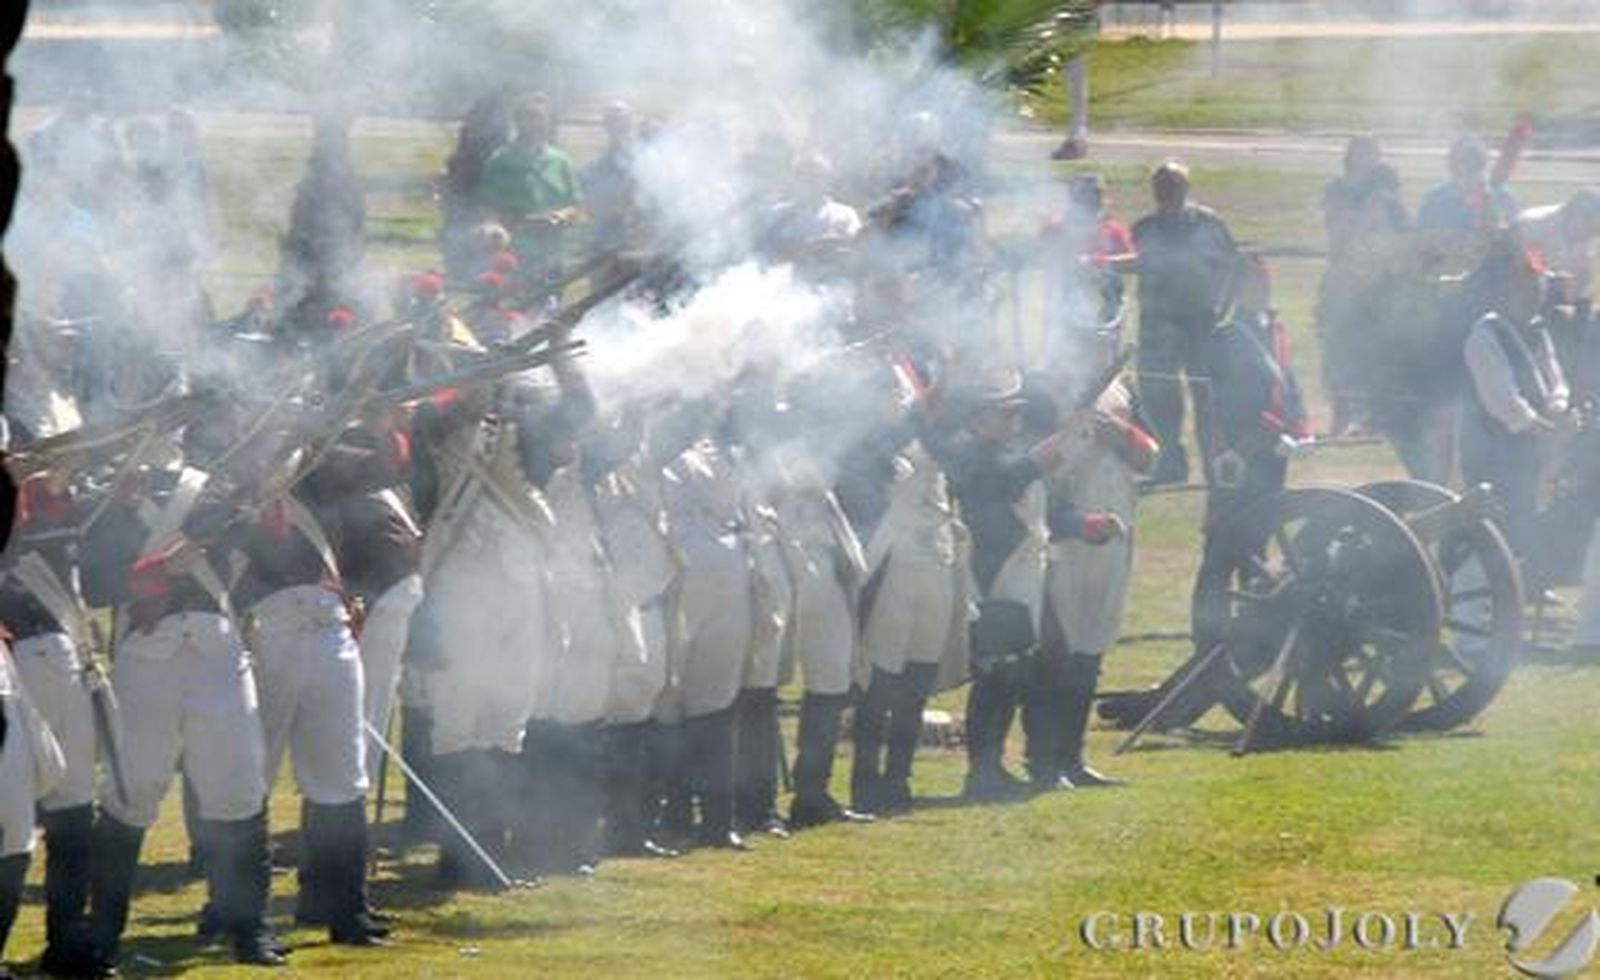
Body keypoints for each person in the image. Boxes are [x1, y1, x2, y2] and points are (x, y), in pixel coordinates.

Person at [79, 446, 284, 967]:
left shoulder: (215, 490)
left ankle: (249, 929)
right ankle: (102, 934)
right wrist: (154, 568)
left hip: (218, 652)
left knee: (238, 789)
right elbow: (98, 586)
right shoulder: (109, 503)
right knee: (131, 791)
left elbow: (269, 558)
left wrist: (256, 501)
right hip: (146, 656)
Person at [1031, 360, 1158, 790]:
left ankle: (1072, 757)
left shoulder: (1123, 388)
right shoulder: (1042, 386)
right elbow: (1032, 469)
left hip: (1114, 532)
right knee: (1057, 652)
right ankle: (1043, 760)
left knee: (1091, 648)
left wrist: (1119, 433)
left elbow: (1153, 457)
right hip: (1064, 539)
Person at [0, 474, 105, 976]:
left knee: (74, 808)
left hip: (61, 663)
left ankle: (67, 942)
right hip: (10, 669)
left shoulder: (55, 511)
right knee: (9, 826)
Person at [1129, 160, 1237, 484]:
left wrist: (1222, 305)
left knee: (1207, 398)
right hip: (1156, 321)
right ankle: (1171, 466)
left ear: (1186, 188)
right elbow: (1133, 263)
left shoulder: (1209, 224)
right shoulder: (1144, 228)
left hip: (1199, 320)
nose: (1167, 192)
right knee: (1160, 398)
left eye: (1174, 185)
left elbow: (1231, 265)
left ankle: (1214, 466)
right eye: (1162, 186)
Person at [1460, 243, 1569, 561]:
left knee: (1528, 517)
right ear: (1504, 291)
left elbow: (1556, 380)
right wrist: (1545, 429)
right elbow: (1504, 403)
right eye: (1524, 287)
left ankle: (1531, 574)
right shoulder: (1485, 335)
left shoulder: (1538, 331)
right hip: (1494, 447)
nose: (1533, 293)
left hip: (1531, 444)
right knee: (1492, 525)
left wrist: (1559, 411)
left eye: (1537, 286)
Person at [1318, 137, 1409, 436]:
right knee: (1339, 349)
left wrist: (1390, 201)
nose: (1371, 161)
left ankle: (1373, 417)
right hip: (1344, 281)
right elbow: (1336, 228)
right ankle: (1341, 417)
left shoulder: (1385, 189)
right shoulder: (1337, 189)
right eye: (1365, 154)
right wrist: (1365, 211)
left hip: (1379, 281)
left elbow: (1404, 229)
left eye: (1374, 155)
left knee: (1377, 349)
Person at [475, 98, 582, 298]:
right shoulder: (501, 161)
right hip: (514, 255)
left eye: (539, 118)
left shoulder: (560, 161)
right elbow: (488, 207)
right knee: (516, 307)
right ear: (518, 123)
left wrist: (560, 216)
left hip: (552, 252)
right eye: (528, 118)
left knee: (553, 306)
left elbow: (575, 205)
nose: (534, 125)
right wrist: (500, 227)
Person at [1049, 2, 1102, 161]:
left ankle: (1076, 139)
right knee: (1074, 80)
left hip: (1078, 22)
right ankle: (1076, 139)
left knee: (1076, 79)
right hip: (1060, 20)